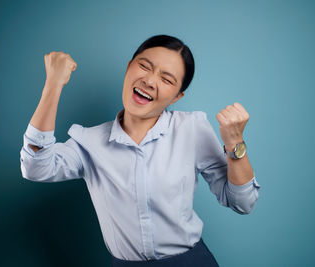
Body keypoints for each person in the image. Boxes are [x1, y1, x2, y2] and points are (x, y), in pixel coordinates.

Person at [20, 34, 261, 267]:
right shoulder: (89, 142)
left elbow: (242, 203)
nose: (150, 81)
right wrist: (53, 85)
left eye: (167, 79)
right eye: (145, 66)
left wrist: (234, 144)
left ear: (177, 96)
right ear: (129, 67)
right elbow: (35, 167)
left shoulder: (192, 128)